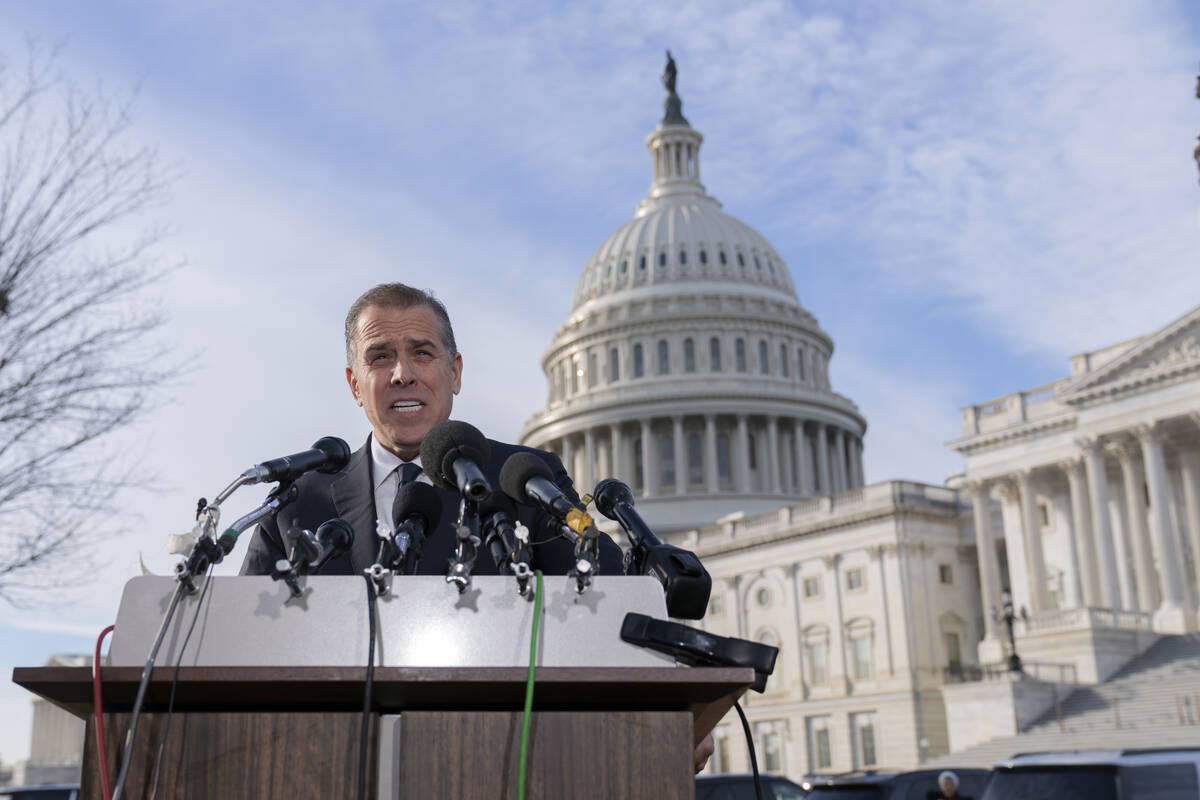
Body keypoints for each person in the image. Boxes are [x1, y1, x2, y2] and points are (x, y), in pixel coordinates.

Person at [239, 282, 624, 578]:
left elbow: (610, 590)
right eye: (380, 357)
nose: (403, 375)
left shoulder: (527, 482)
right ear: (355, 385)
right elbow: (245, 639)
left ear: (454, 373)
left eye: (422, 354)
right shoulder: (295, 505)